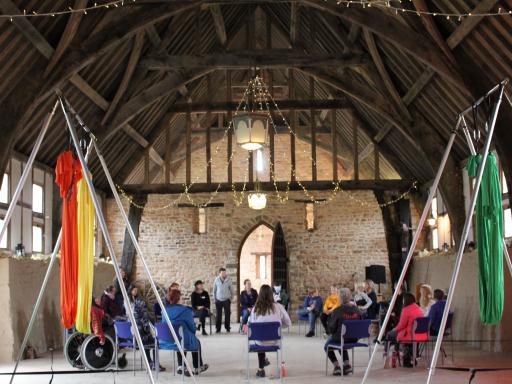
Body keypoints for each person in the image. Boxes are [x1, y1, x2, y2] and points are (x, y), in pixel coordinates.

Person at [249, 284, 291, 378]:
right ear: (271, 294)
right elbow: (288, 322)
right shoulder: (279, 307)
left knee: (260, 337)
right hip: (275, 341)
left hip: (259, 342)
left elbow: (251, 324)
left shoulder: (255, 309)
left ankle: (261, 369)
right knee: (265, 335)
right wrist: (279, 328)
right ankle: (264, 362)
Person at [165, 289, 209, 376]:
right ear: (178, 298)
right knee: (194, 341)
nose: (182, 299)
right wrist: (195, 327)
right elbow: (192, 328)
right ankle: (197, 367)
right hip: (183, 340)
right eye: (181, 297)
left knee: (179, 337)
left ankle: (181, 366)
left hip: (168, 341)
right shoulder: (185, 311)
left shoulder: (164, 310)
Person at [325, 288, 361, 376]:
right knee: (342, 339)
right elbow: (360, 322)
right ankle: (347, 365)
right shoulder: (357, 310)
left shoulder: (338, 310)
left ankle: (337, 367)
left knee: (327, 345)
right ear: (350, 297)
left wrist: (329, 331)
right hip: (354, 338)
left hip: (341, 338)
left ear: (340, 298)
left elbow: (332, 328)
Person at [128, 286, 165, 371]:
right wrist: (147, 326)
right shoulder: (139, 301)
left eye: (136, 290)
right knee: (154, 343)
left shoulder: (129, 301)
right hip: (140, 327)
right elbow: (144, 316)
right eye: (134, 290)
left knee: (146, 343)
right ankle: (154, 364)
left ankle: (150, 362)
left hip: (134, 329)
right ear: (130, 291)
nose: (135, 292)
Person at [385, 292, 425, 368]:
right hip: (420, 335)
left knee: (389, 334)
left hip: (409, 334)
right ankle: (397, 351)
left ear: (405, 300)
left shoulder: (406, 310)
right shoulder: (418, 308)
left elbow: (401, 325)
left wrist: (394, 329)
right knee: (396, 335)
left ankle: (388, 353)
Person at [213, 267, 234, 333]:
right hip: (218, 300)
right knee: (218, 315)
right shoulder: (216, 280)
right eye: (222, 273)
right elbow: (214, 290)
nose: (224, 274)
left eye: (225, 273)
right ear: (219, 273)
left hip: (226, 300)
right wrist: (215, 299)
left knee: (227, 314)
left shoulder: (229, 280)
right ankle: (218, 328)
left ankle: (227, 327)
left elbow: (232, 290)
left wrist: (230, 299)